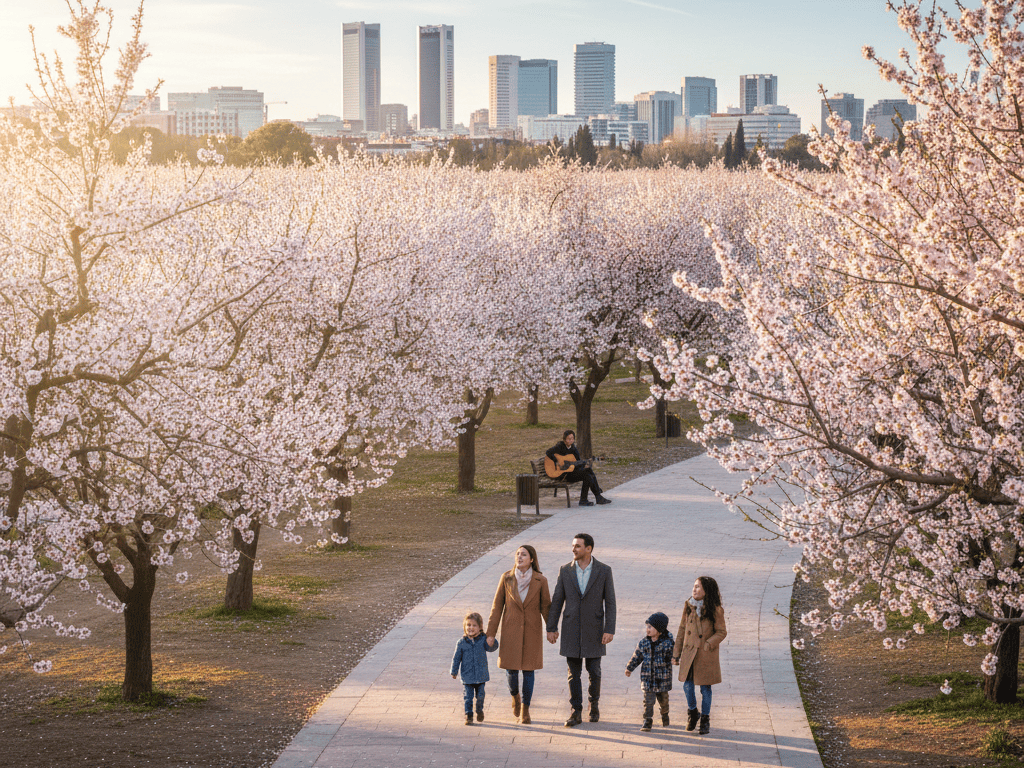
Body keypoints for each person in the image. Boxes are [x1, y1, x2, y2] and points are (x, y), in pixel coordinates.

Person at [546, 532, 616, 727]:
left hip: (595, 629)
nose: (573, 549)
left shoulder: (603, 571)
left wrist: (609, 629)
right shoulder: (565, 570)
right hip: (571, 629)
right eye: (573, 545)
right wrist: (551, 627)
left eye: (577, 546)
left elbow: (610, 602)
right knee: (573, 672)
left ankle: (593, 704)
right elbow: (557, 600)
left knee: (594, 671)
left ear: (588, 549)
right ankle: (575, 710)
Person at [486, 544, 551, 724]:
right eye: (517, 554)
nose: (519, 557)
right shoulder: (506, 578)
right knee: (511, 670)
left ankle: (526, 709)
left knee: (529, 671)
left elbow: (546, 606)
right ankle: (515, 696)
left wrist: (551, 629)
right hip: (510, 630)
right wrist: (490, 633)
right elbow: (497, 606)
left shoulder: (540, 580)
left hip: (532, 630)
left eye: (523, 554)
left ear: (531, 559)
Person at [672, 576, 727, 735]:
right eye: (694, 586)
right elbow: (682, 629)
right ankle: (692, 712)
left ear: (706, 591)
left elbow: (722, 632)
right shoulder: (688, 605)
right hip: (689, 652)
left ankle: (705, 718)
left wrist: (709, 644)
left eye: (697, 587)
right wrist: (676, 654)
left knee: (705, 688)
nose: (694, 589)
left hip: (705, 654)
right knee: (687, 686)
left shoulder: (716, 609)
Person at [625, 611, 675, 731]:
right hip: (648, 680)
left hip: (662, 680)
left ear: (659, 629)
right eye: (647, 626)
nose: (647, 629)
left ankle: (665, 715)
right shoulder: (644, 643)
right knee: (648, 702)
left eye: (650, 627)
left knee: (664, 701)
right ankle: (647, 720)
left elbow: (673, 655)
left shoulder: (668, 643)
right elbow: (637, 657)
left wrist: (675, 659)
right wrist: (629, 668)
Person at [451, 611, 498, 725]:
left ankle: (479, 709)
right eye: (468, 625)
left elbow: (491, 648)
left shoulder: (483, 640)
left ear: (480, 627)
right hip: (467, 676)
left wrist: (492, 641)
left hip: (481, 675)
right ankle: (469, 715)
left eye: (474, 625)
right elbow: (456, 658)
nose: (471, 628)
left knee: (480, 695)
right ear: (464, 627)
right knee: (468, 696)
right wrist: (454, 671)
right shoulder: (461, 643)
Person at [545, 429, 610, 506]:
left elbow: (578, 462)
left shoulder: (573, 448)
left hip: (570, 472)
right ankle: (594, 494)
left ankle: (591, 498)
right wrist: (557, 461)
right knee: (587, 474)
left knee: (587, 471)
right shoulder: (560, 446)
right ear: (564, 440)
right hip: (562, 474)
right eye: (569, 439)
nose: (571, 440)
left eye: (572, 438)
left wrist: (584, 464)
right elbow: (548, 452)